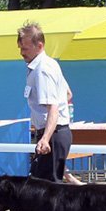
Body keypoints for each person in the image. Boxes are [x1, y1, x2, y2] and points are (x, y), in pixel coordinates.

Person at [18, 22, 72, 183]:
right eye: (20, 48)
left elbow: (53, 108)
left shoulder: (42, 70)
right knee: (44, 187)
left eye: (25, 49)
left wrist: (45, 138)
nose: (21, 53)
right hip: (55, 133)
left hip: (53, 135)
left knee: (47, 190)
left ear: (39, 45)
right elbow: (68, 94)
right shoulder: (50, 64)